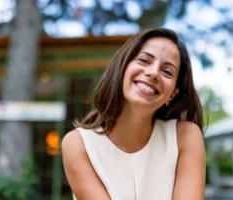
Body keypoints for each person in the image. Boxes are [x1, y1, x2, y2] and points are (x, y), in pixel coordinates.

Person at [62, 28, 206, 200]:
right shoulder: (78, 144)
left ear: (172, 94)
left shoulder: (185, 136)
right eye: (144, 60)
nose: (153, 73)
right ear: (123, 67)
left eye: (167, 71)